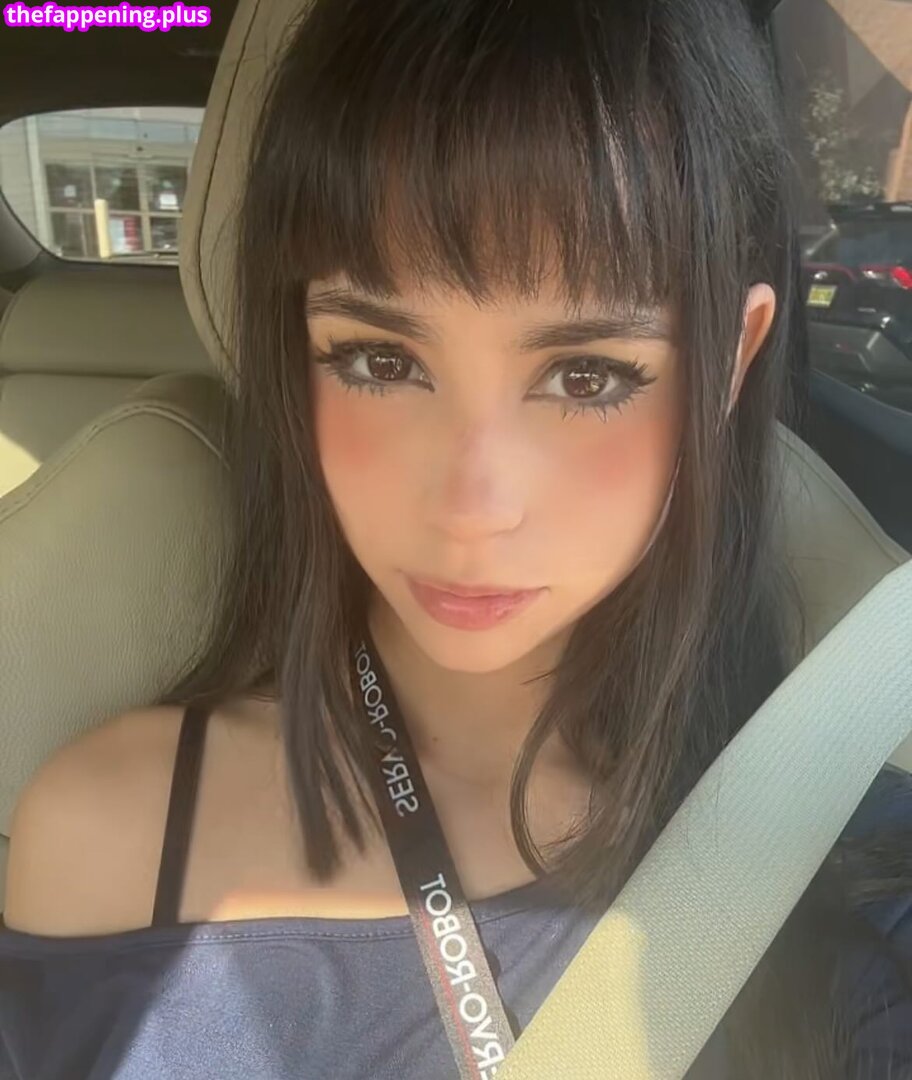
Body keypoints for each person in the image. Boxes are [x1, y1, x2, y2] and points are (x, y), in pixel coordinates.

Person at [1, 0, 911, 1076]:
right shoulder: (108, 834)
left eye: (587, 377)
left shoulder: (842, 847)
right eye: (380, 361)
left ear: (730, 361)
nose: (471, 507)